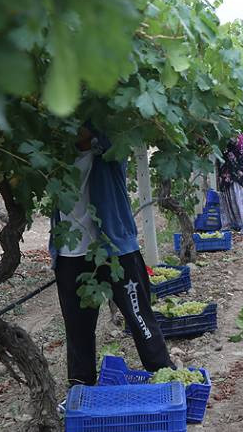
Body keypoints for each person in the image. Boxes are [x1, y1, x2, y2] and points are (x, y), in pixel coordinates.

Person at [50, 125, 173, 389]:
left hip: (116, 250)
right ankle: (81, 390)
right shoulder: (54, 157)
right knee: (77, 330)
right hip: (71, 255)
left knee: (140, 319)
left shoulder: (109, 150)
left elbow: (112, 138)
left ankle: (167, 376)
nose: (73, 124)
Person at [218, 134, 243, 235]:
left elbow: (236, 145)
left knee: (239, 201)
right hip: (227, 173)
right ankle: (231, 228)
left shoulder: (236, 136)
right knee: (228, 201)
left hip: (236, 173)